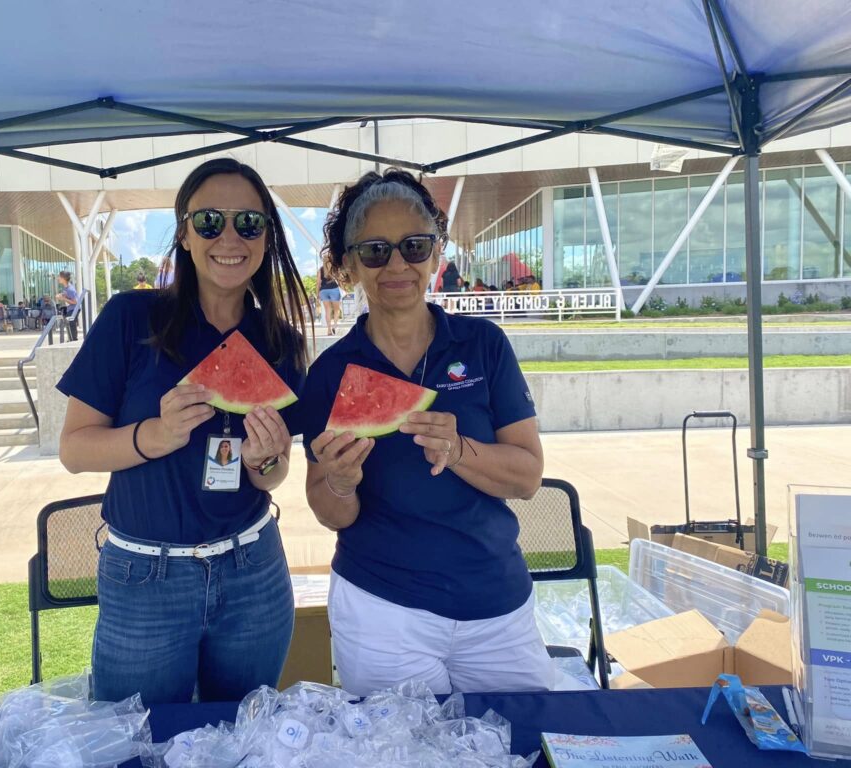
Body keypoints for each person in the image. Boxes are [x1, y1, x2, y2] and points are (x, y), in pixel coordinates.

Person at [56, 157, 310, 705]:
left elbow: (274, 475)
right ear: (185, 234)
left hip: (253, 571)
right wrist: (155, 435)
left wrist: (265, 461)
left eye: (249, 223)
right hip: (145, 576)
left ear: (267, 236)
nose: (229, 238)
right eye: (210, 221)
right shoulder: (131, 318)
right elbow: (74, 449)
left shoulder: (281, 343)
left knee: (243, 734)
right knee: (140, 740)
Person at [301, 168, 553, 696]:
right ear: (350, 265)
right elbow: (329, 511)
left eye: (414, 246)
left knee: (518, 737)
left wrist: (460, 450)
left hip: (496, 607)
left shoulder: (484, 345)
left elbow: (528, 477)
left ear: (436, 254)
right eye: (375, 251)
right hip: (380, 611)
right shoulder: (331, 373)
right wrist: (340, 483)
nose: (397, 265)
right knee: (400, 741)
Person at [317, 263, 342, 336]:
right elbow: (340, 280)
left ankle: (329, 330)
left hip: (323, 290)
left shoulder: (320, 270)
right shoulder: (335, 268)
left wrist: (318, 294)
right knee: (337, 310)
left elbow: (318, 283)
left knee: (327, 311)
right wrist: (343, 289)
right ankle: (334, 326)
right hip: (334, 289)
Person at [55, 271, 79, 341]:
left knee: (71, 324)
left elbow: (75, 301)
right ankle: (71, 339)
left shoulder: (70, 289)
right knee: (69, 324)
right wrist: (61, 295)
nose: (58, 278)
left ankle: (73, 339)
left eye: (59, 277)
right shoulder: (66, 287)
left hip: (73, 309)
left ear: (63, 278)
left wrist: (63, 298)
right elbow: (67, 295)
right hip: (70, 308)